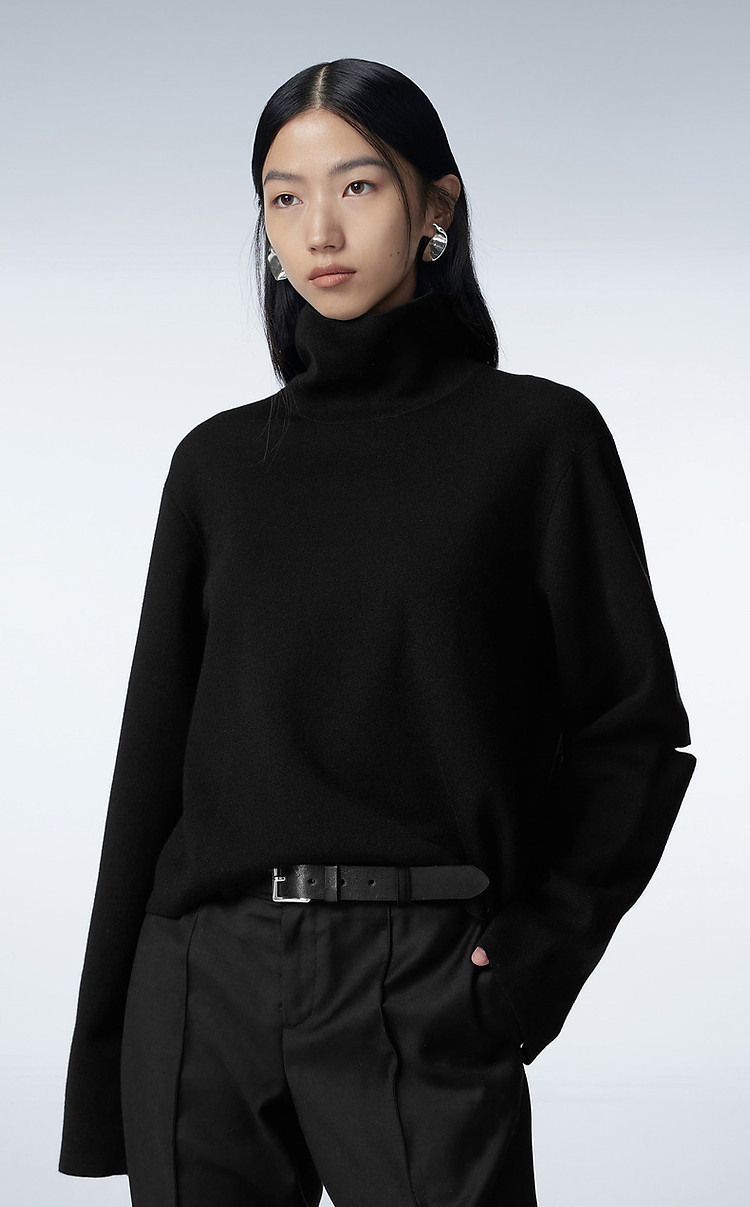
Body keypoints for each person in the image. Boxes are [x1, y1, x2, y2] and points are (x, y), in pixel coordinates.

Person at [58, 58, 697, 1207]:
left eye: (357, 186)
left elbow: (634, 732)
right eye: (284, 197)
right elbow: (150, 770)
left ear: (435, 204)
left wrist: (538, 956)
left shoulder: (537, 440)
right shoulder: (219, 465)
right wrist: (104, 1059)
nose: (320, 229)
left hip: (423, 975)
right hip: (205, 983)